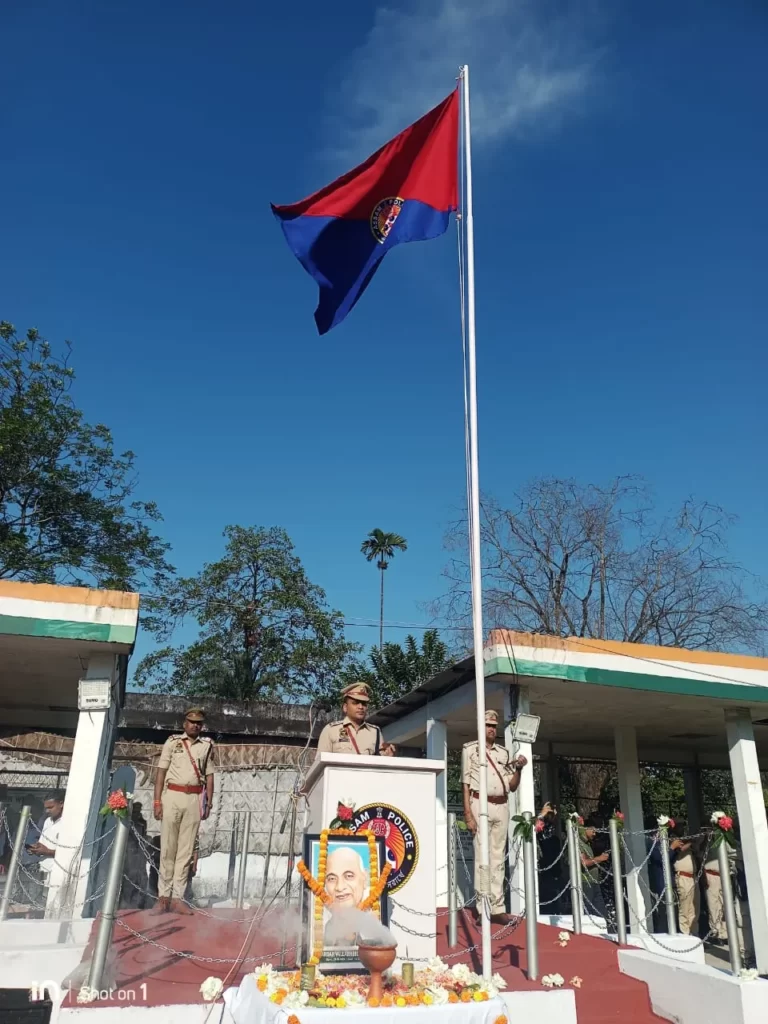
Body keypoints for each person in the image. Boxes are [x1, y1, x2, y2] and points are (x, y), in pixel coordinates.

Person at [461, 709, 527, 925]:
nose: (491, 729)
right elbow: (465, 783)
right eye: (488, 725)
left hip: (501, 804)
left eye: (493, 726)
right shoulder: (470, 750)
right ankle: (483, 907)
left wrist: (519, 769)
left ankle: (498, 906)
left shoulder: (503, 752)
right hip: (479, 802)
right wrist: (468, 814)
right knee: (483, 856)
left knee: (498, 857)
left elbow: (512, 785)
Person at [152, 707, 214, 916]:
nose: (195, 725)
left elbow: (210, 774)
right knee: (168, 848)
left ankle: (178, 898)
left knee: (186, 851)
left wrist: (209, 802)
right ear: (184, 724)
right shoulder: (172, 742)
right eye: (191, 722)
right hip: (172, 795)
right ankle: (163, 898)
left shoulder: (206, 746)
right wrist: (157, 801)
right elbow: (160, 772)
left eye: (199, 723)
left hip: (194, 798)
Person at [315, 683, 396, 758]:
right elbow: (320, 762)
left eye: (364, 703)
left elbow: (379, 764)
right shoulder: (331, 730)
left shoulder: (375, 732)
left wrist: (388, 756)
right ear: (345, 707)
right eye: (355, 703)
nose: (361, 707)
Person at [323, 845, 369, 946]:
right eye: (332, 878)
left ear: (364, 878)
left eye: (349, 876)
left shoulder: (374, 920)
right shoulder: (322, 925)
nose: (339, 887)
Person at [670, 824, 700, 936]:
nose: (682, 828)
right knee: (685, 906)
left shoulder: (687, 840)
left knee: (695, 906)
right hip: (683, 877)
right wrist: (692, 841)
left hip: (693, 876)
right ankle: (685, 932)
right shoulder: (673, 838)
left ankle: (694, 932)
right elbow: (680, 849)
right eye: (680, 825)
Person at [536, 803, 565, 915]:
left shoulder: (554, 839)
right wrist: (542, 815)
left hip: (552, 873)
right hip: (544, 873)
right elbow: (535, 829)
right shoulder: (542, 834)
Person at [579, 816, 609, 922]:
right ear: (586, 828)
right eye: (593, 831)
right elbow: (584, 863)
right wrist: (599, 859)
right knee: (589, 913)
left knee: (601, 913)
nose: (594, 834)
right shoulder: (579, 843)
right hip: (586, 881)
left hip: (594, 882)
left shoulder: (588, 844)